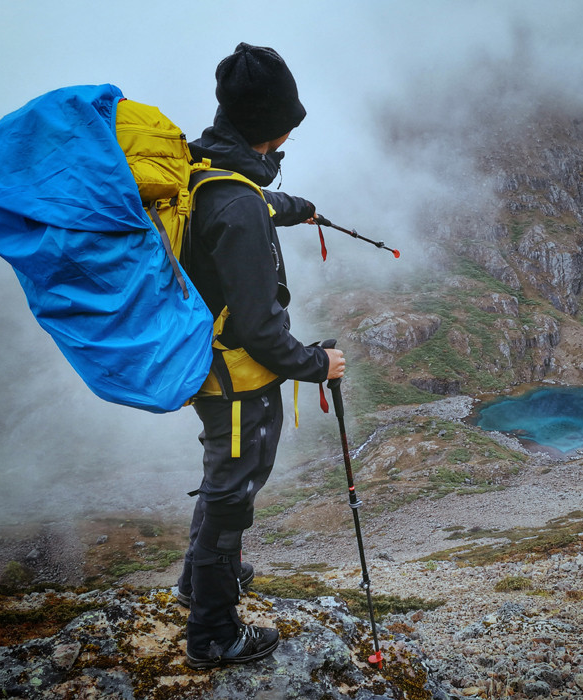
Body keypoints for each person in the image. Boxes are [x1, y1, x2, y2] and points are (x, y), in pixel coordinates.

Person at [174, 42, 345, 668]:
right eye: (288, 125)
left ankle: (202, 579)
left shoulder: (208, 175)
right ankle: (213, 633)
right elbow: (260, 330)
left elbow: (250, 201)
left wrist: (298, 209)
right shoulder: (240, 204)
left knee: (223, 479)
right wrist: (317, 365)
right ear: (275, 125)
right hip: (240, 382)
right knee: (231, 493)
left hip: (209, 371)